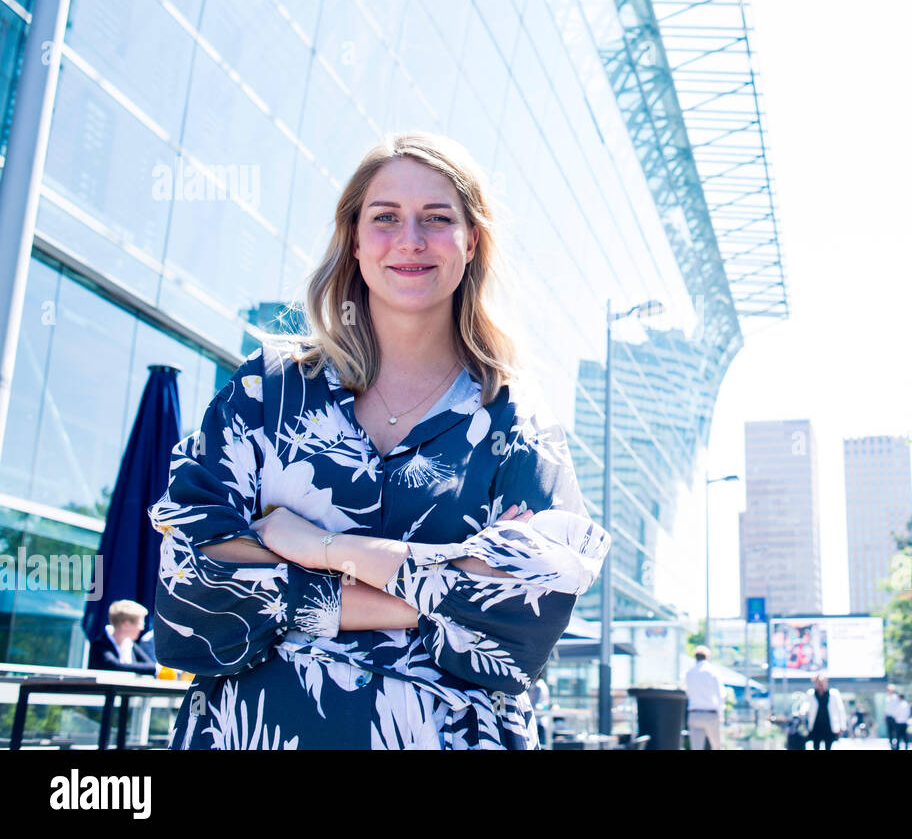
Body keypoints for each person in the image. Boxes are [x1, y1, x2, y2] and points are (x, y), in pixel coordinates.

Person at [148, 133, 611, 749]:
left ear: (471, 242)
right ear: (356, 240)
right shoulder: (267, 391)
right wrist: (437, 594)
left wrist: (318, 545)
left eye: (437, 219)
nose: (411, 239)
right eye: (386, 217)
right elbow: (190, 593)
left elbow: (527, 614)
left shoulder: (513, 419)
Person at [88, 599, 158, 675]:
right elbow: (114, 665)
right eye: (140, 623)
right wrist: (157, 669)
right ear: (126, 624)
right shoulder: (99, 646)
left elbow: (150, 664)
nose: (142, 628)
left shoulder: (130, 645)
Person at [685, 646, 727, 749]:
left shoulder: (689, 672)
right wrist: (721, 713)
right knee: (716, 746)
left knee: (696, 747)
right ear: (707, 657)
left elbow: (687, 692)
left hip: (694, 714)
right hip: (711, 714)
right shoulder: (713, 671)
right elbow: (721, 694)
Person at [803, 672, 846, 750]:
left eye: (822, 682)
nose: (820, 685)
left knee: (828, 746)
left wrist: (842, 726)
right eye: (818, 683)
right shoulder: (811, 694)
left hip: (829, 725)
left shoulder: (833, 694)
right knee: (816, 746)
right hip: (816, 726)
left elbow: (840, 710)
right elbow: (805, 707)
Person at [527, 668, 552, 748]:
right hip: (542, 719)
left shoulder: (538, 686)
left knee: (537, 743)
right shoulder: (542, 684)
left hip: (538, 719)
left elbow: (533, 702)